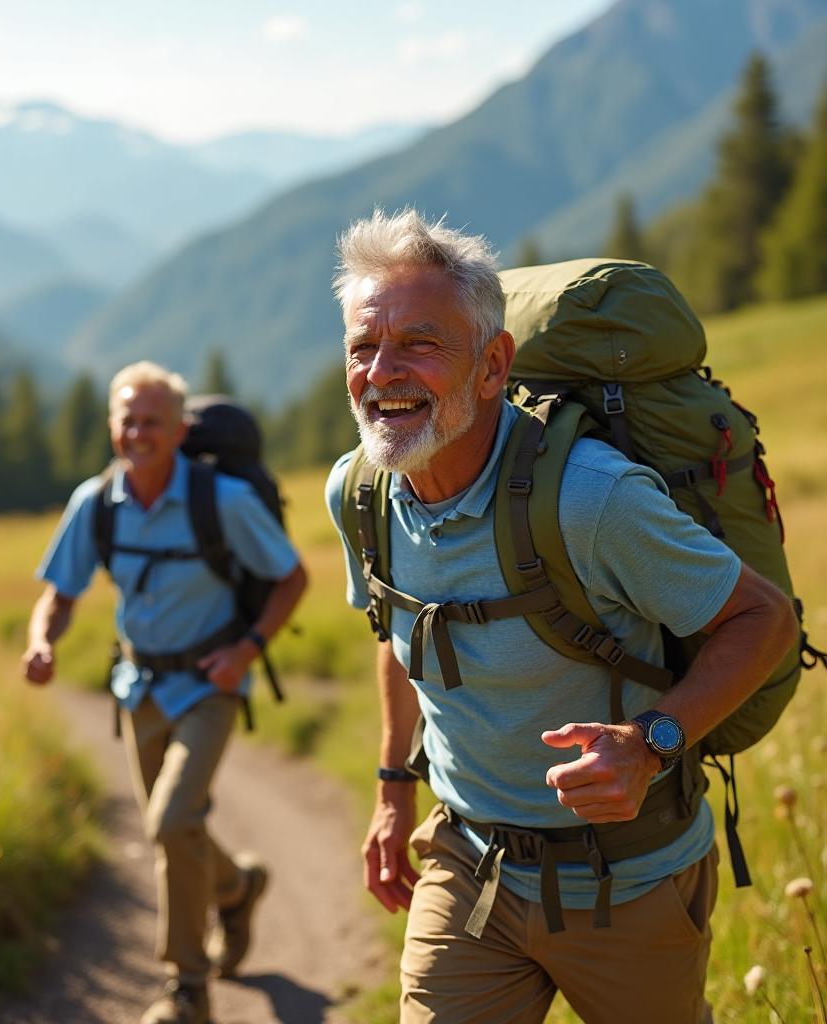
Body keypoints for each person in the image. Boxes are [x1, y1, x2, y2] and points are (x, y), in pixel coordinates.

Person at [324, 210, 797, 1024]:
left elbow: (765, 619)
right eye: (364, 347)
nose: (382, 372)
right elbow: (399, 631)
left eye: (420, 345)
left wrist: (652, 746)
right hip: (469, 867)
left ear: (491, 365)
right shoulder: (359, 492)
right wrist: (395, 789)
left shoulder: (592, 499)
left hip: (630, 883)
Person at [23, 361, 307, 1024]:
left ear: (179, 431)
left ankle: (187, 989)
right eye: (128, 420)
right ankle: (236, 890)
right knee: (177, 826)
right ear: (112, 428)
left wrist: (246, 651)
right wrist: (43, 640)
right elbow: (59, 596)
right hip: (139, 687)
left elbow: (291, 579)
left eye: (153, 421)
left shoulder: (223, 501)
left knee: (170, 821)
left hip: (210, 685)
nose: (139, 433)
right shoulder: (94, 504)